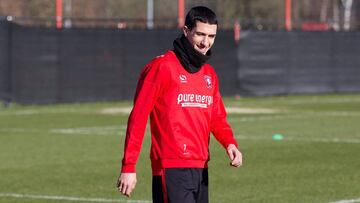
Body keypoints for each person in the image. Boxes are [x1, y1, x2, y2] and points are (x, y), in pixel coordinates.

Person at [117, 6, 243, 203]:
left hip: (201, 168)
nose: (205, 42)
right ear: (186, 31)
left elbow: (216, 117)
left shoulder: (208, 73)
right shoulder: (161, 67)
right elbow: (138, 118)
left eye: (211, 36)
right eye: (200, 34)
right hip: (170, 168)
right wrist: (129, 166)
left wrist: (229, 143)